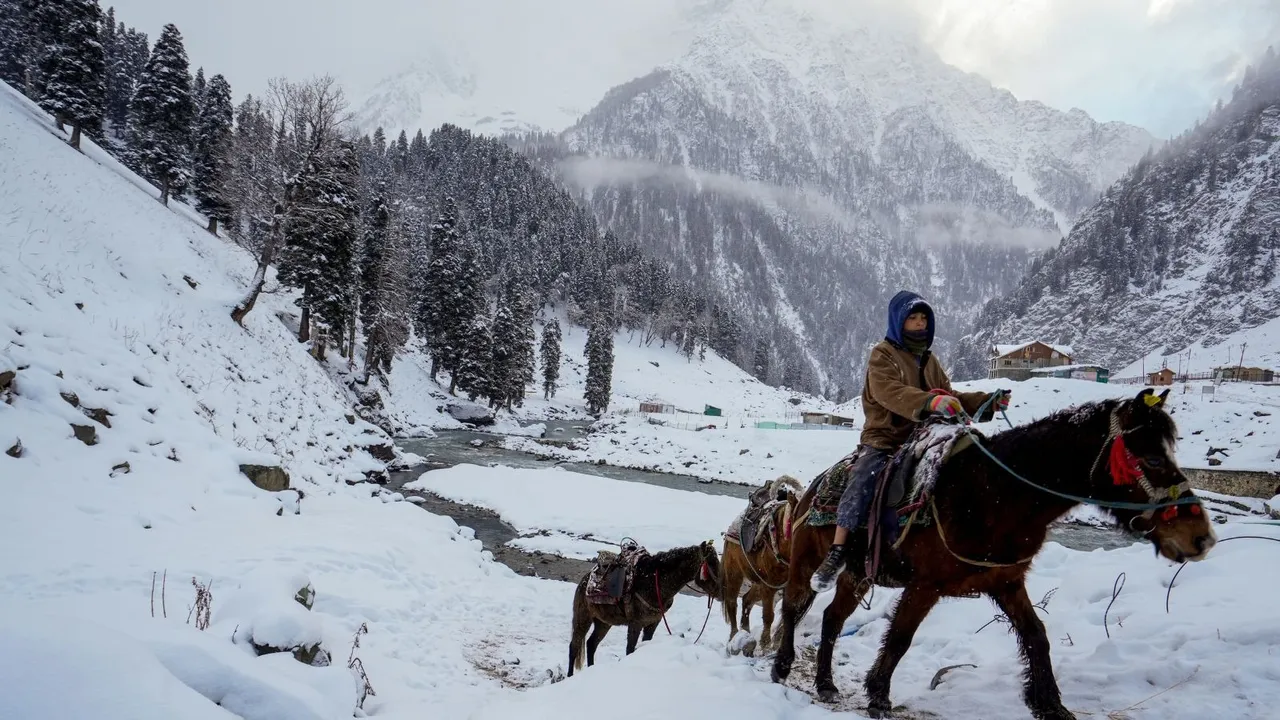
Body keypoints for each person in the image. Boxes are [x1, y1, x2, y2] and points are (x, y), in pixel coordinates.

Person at [809, 290, 1010, 592]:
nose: (919, 324)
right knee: (863, 477)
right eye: (912, 318)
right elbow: (887, 392)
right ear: (898, 322)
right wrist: (931, 403)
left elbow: (949, 395)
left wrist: (985, 402)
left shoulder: (930, 360)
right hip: (885, 438)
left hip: (924, 436)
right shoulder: (882, 355)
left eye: (923, 319)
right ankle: (839, 549)